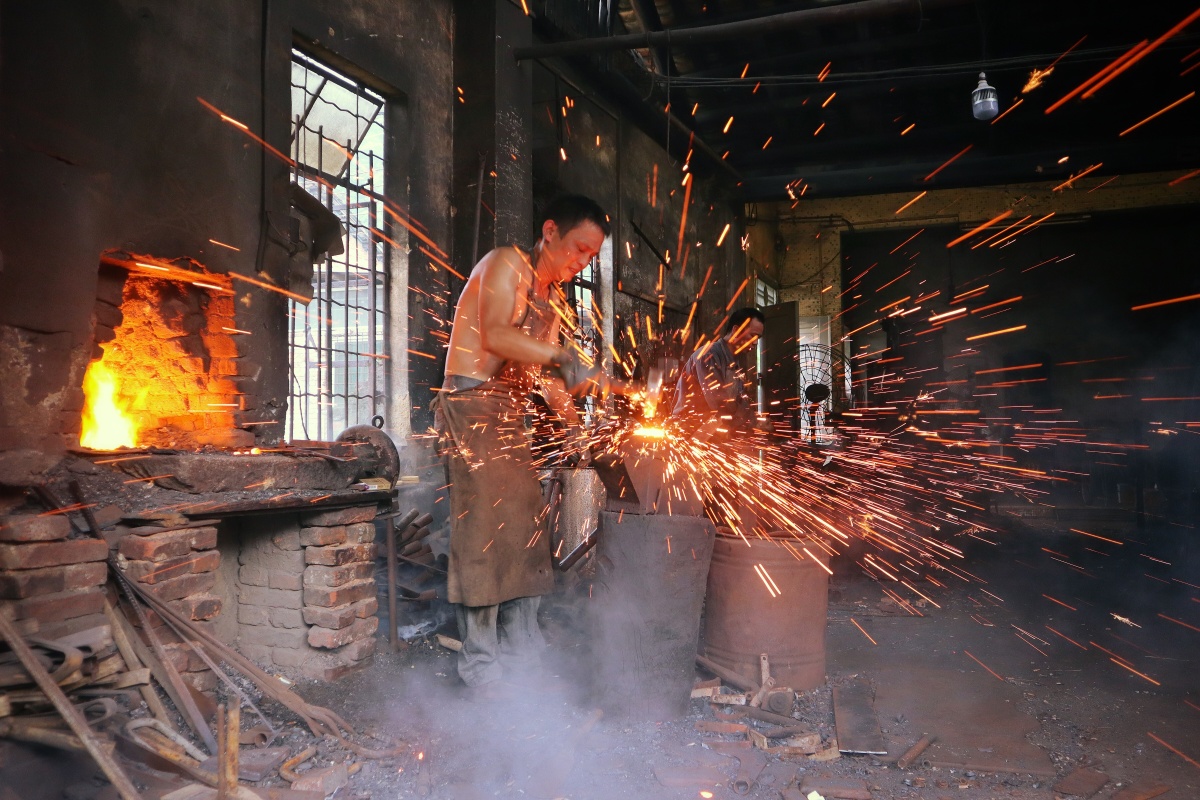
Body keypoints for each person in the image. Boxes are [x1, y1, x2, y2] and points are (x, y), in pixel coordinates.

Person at [433, 194, 610, 699]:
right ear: (550, 231)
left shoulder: (551, 301)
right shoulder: (505, 263)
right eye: (578, 249)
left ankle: (524, 653)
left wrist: (576, 425)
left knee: (529, 534)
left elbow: (544, 378)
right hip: (470, 409)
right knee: (485, 536)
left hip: (509, 417)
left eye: (590, 259)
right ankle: (482, 668)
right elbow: (496, 336)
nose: (580, 263)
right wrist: (564, 356)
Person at [671, 306, 765, 433]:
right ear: (737, 330)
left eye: (758, 339)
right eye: (753, 336)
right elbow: (719, 403)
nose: (755, 343)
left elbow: (739, 399)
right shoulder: (708, 355)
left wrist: (756, 420)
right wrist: (752, 423)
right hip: (690, 430)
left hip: (713, 428)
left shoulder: (734, 360)